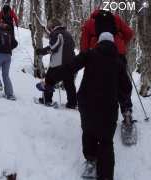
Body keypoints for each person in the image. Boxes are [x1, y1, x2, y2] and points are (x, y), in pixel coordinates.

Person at [67, 32, 131, 180]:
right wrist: (121, 99)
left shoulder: (90, 54)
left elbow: (70, 67)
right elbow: (126, 88)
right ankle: (106, 176)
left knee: (88, 132)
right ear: (113, 44)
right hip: (108, 107)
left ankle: (91, 161)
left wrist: (51, 79)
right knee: (106, 141)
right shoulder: (119, 61)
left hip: (87, 104)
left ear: (99, 42)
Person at [80, 9, 134, 122]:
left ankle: (98, 112)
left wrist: (86, 58)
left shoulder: (90, 22)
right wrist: (122, 43)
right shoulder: (117, 19)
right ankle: (127, 110)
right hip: (118, 53)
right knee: (121, 83)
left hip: (97, 55)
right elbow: (129, 33)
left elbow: (84, 43)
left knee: (98, 84)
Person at [36, 18, 77, 109]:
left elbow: (53, 47)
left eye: (49, 26)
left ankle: (47, 100)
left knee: (49, 80)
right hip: (70, 64)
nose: (49, 29)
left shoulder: (56, 33)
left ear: (53, 26)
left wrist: (41, 51)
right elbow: (72, 47)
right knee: (69, 83)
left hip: (58, 64)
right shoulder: (68, 34)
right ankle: (72, 103)